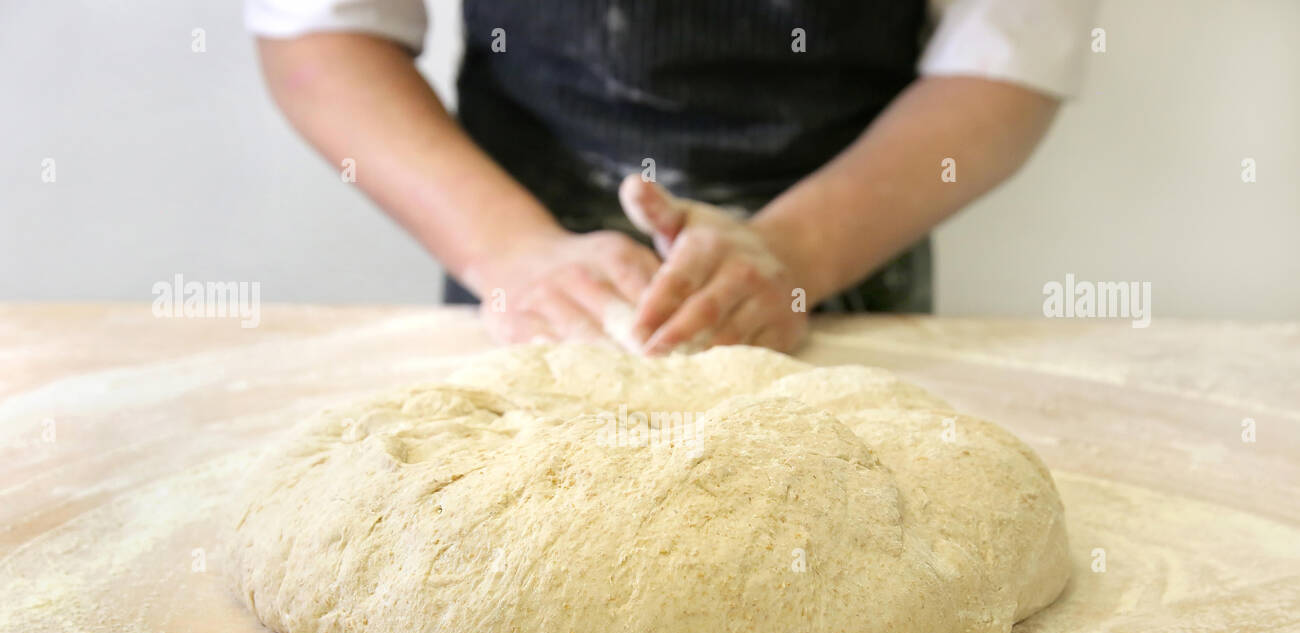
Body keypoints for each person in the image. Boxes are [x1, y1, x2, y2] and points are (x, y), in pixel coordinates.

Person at [248, 0, 1095, 354]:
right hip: (520, 277)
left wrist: (796, 255)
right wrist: (507, 253)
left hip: (850, 273)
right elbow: (321, 37)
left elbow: (1005, 58)